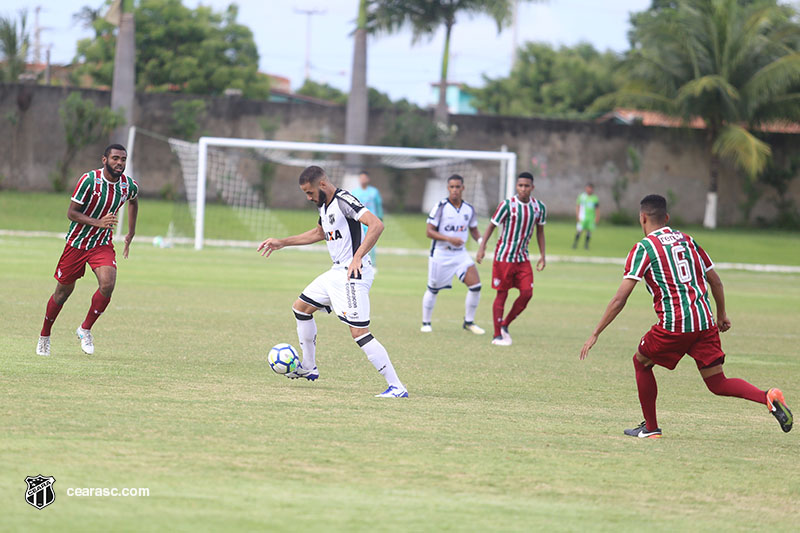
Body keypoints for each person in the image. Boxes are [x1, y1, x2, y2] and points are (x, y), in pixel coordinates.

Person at [580, 194, 792, 437]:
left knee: (641, 362)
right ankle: (768, 397)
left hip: (675, 325)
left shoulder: (644, 248)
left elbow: (620, 298)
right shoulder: (688, 240)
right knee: (717, 382)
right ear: (667, 218)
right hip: (704, 321)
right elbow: (716, 281)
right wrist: (721, 315)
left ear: (642, 218)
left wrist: (595, 332)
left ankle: (650, 428)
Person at [257, 165, 408, 398]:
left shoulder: (344, 200)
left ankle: (397, 387)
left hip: (352, 274)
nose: (308, 198)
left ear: (323, 185)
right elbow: (318, 233)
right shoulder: (324, 206)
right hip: (336, 272)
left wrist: (357, 257)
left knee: (359, 333)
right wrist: (283, 242)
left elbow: (376, 224)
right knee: (301, 308)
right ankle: (308, 367)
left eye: (309, 192)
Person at [37, 144, 139, 356]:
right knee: (63, 292)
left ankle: (85, 329)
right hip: (77, 243)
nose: (120, 163)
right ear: (104, 160)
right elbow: (71, 213)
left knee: (108, 283)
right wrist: (98, 222)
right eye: (115, 158)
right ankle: (45, 336)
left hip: (101, 244)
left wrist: (131, 233)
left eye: (123, 159)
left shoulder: (128, 185)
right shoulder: (89, 181)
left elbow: (133, 202)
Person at [476, 172, 546, 346]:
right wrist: (482, 248)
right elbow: (491, 226)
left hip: (522, 258)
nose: (523, 189)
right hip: (504, 258)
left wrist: (543, 255)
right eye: (520, 185)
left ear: (532, 187)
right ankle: (497, 334)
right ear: (516, 186)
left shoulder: (539, 208)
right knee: (502, 293)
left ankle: (505, 324)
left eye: (526, 186)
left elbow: (540, 232)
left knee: (527, 293)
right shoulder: (507, 206)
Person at [421, 174, 485, 335]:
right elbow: (429, 232)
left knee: (476, 286)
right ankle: (426, 322)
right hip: (441, 254)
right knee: (433, 289)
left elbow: (474, 230)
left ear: (463, 188)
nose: (455, 190)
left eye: (458, 187)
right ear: (448, 188)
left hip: (460, 255)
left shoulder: (468, 209)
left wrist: (482, 244)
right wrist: (449, 239)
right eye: (452, 187)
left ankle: (469, 322)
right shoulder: (441, 206)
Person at [350, 171, 383, 268]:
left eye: (365, 178)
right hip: (359, 222)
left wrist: (380, 217)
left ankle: (372, 264)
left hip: (371, 222)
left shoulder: (374, 192)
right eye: (361, 178)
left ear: (368, 179)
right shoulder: (355, 192)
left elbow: (378, 205)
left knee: (371, 243)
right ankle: (357, 262)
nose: (363, 180)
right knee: (358, 243)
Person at [573, 183, 599, 249]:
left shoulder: (595, 198)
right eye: (588, 188)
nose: (589, 190)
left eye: (591, 188)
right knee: (579, 230)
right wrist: (577, 215)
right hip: (582, 217)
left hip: (591, 218)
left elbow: (597, 209)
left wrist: (597, 217)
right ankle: (575, 244)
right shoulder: (582, 197)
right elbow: (578, 206)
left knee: (589, 232)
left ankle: (586, 245)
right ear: (586, 188)